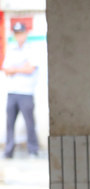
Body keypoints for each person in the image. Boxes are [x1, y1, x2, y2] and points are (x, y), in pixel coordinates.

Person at [3, 21, 40, 158]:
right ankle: (8, 151)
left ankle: (33, 150)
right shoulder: (11, 49)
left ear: (25, 34)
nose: (19, 36)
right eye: (16, 34)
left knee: (29, 123)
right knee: (10, 123)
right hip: (12, 92)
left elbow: (30, 69)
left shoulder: (31, 49)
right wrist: (21, 67)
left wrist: (15, 69)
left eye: (21, 33)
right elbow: (6, 69)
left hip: (26, 92)